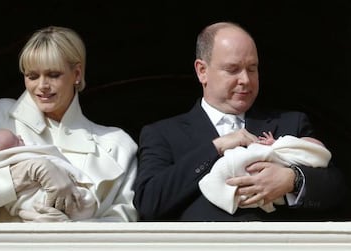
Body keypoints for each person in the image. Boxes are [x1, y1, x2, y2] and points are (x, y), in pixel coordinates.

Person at [133, 21, 348, 221]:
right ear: (202, 71)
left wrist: (292, 180)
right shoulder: (162, 133)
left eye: (252, 68)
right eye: (233, 69)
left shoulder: (291, 122)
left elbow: (336, 188)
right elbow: (149, 202)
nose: (245, 80)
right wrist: (215, 148)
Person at [0, 26, 138, 222]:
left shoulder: (117, 143)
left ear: (77, 74)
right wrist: (30, 170)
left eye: (53, 75)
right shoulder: (4, 115)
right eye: (32, 76)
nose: (42, 86)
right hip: (9, 250)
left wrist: (71, 230)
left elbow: (124, 218)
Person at [199, 132, 332, 214]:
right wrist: (216, 146)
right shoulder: (177, 128)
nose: (244, 83)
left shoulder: (295, 121)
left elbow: (334, 184)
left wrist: (294, 179)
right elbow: (177, 184)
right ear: (203, 83)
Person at [0, 128, 97, 221]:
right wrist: (32, 168)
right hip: (32, 207)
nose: (21, 137)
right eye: (17, 140)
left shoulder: (112, 139)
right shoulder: (1, 111)